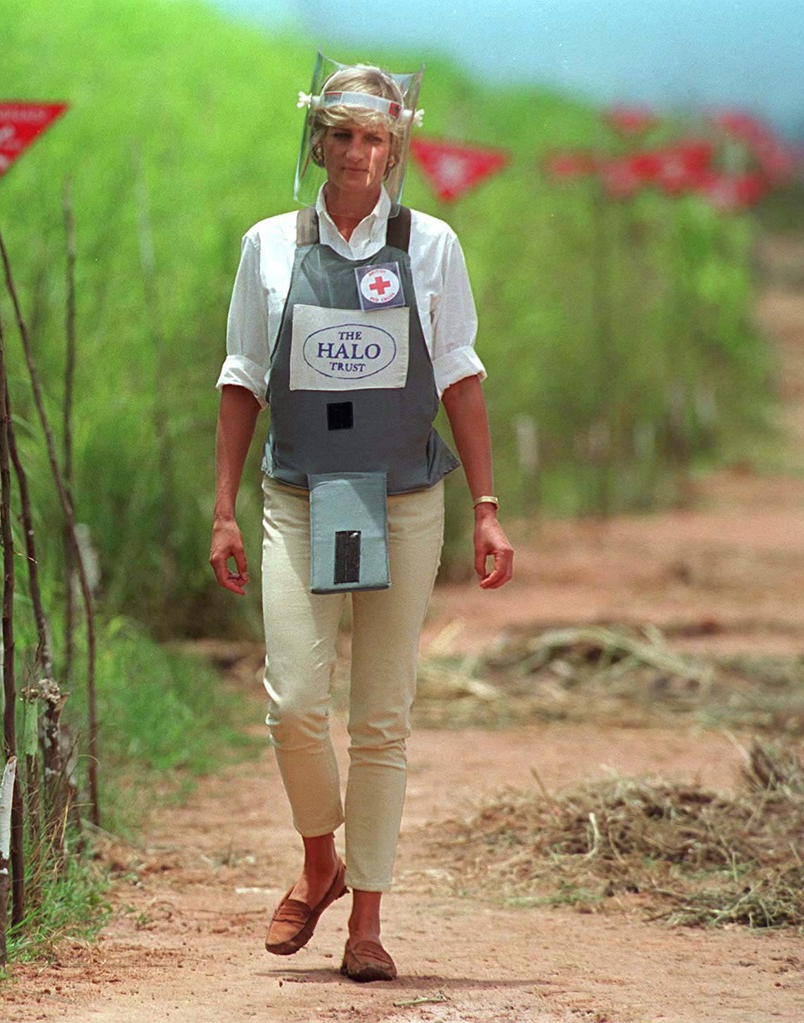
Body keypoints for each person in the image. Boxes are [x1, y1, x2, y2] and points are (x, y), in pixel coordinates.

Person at [209, 57, 514, 983]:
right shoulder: (268, 245)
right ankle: (319, 862)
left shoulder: (432, 248)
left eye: (373, 136)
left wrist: (488, 509)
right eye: (339, 135)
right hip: (299, 497)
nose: (355, 152)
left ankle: (367, 921)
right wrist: (222, 507)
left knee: (382, 715)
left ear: (395, 146)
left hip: (404, 498)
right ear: (318, 141)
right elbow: (242, 379)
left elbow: (460, 374)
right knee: (295, 699)